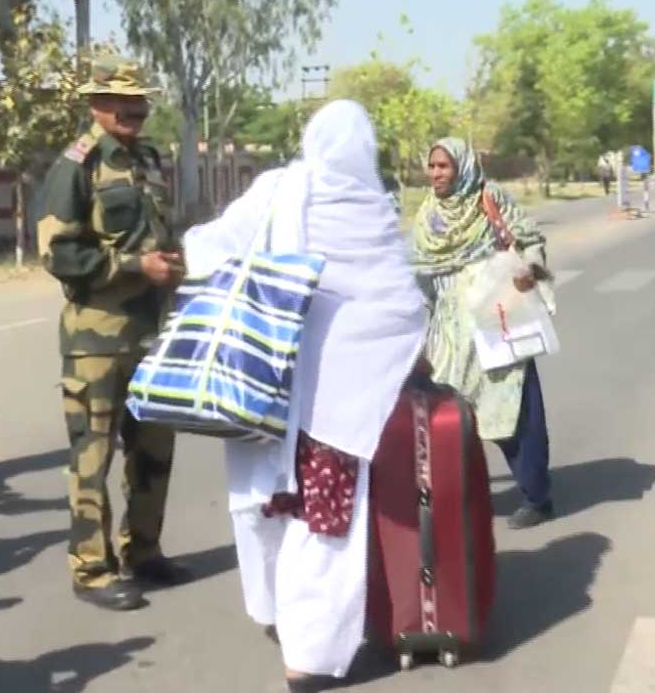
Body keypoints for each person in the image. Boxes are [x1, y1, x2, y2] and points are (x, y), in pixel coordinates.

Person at [186, 100, 426, 692]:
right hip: (340, 408)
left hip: (267, 389)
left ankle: (277, 617)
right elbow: (402, 306)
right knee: (325, 523)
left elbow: (210, 249)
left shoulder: (278, 189)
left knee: (268, 506)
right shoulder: (375, 209)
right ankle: (310, 656)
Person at [37, 54, 188, 612]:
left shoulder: (149, 160)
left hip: (152, 333)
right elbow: (57, 252)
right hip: (95, 340)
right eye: (123, 103)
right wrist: (133, 268)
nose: (136, 111)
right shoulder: (75, 167)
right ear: (97, 107)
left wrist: (175, 265)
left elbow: (162, 233)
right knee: (92, 455)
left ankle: (143, 551)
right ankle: (91, 567)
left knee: (154, 450)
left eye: (141, 101)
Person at [412, 138, 555, 529]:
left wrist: (529, 268)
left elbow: (528, 240)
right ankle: (458, 496)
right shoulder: (427, 214)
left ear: (462, 167)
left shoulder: (489, 199)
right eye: (433, 166)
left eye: (444, 166)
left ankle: (536, 496)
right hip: (449, 333)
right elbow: (420, 275)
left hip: (496, 320)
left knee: (514, 412)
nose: (437, 174)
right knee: (452, 417)